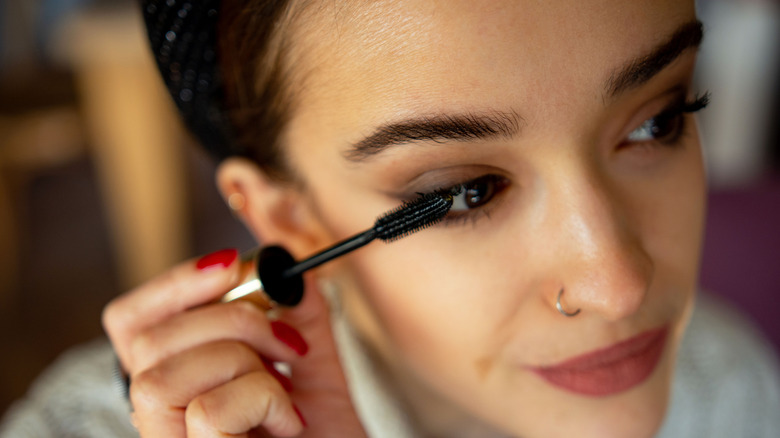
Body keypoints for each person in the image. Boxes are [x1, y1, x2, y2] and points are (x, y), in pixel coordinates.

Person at [2, 0, 779, 437]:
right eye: (470, 190)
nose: (619, 286)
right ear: (288, 218)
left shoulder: (729, 387)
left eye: (658, 121)